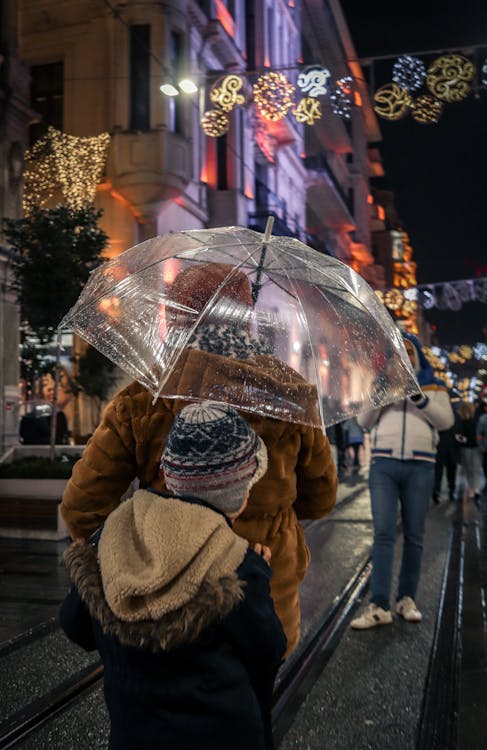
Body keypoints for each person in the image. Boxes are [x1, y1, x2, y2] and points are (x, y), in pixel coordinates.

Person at [60, 262, 338, 656]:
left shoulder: (145, 398)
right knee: (249, 705)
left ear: (179, 319)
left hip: (161, 605)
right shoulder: (290, 396)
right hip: (265, 597)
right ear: (245, 318)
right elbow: (321, 499)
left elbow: (81, 506)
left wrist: (132, 550)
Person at [60, 402, 286, 750]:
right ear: (239, 492)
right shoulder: (237, 563)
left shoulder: (115, 535)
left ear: (172, 475)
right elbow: (269, 649)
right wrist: (260, 576)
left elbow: (75, 624)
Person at [351, 332, 454, 630]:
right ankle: (379, 604)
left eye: (410, 351)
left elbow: (446, 422)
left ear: (418, 355)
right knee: (383, 533)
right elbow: (364, 422)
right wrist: (386, 393)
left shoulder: (434, 385)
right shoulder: (381, 384)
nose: (405, 357)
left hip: (421, 466)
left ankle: (406, 598)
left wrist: (418, 397)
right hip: (383, 464)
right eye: (399, 352)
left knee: (414, 536)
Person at [455, 400, 482, 501]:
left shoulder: (461, 421)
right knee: (475, 469)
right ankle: (476, 489)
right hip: (475, 446)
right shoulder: (477, 420)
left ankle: (472, 488)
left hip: (466, 446)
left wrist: (463, 439)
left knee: (469, 469)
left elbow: (459, 435)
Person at [432, 408, 460, 504]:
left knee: (438, 471)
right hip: (451, 446)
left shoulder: (436, 412)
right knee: (451, 470)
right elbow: (458, 429)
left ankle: (436, 491)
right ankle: (451, 491)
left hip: (439, 446)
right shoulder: (454, 413)